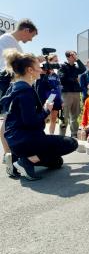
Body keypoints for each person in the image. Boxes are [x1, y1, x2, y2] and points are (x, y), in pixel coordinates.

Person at [0, 50, 78, 180]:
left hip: (15, 140)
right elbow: (31, 122)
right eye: (38, 67)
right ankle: (26, 161)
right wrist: (46, 110)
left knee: (57, 162)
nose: (41, 69)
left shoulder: (13, 88)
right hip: (27, 140)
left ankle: (17, 158)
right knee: (71, 143)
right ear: (30, 70)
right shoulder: (26, 92)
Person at [0, 19, 38, 169]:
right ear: (26, 30)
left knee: (10, 117)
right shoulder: (7, 40)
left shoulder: (12, 42)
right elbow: (12, 65)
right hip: (6, 79)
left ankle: (9, 152)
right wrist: (34, 61)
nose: (30, 40)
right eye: (31, 36)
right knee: (9, 117)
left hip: (9, 79)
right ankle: (8, 152)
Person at [58, 50, 86, 137]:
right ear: (68, 57)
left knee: (75, 116)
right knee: (64, 117)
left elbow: (83, 69)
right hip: (66, 94)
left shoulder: (75, 67)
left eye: (75, 55)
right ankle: (62, 135)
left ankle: (74, 134)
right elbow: (62, 78)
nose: (75, 57)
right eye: (73, 56)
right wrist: (74, 79)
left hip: (76, 93)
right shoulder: (62, 67)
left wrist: (77, 59)